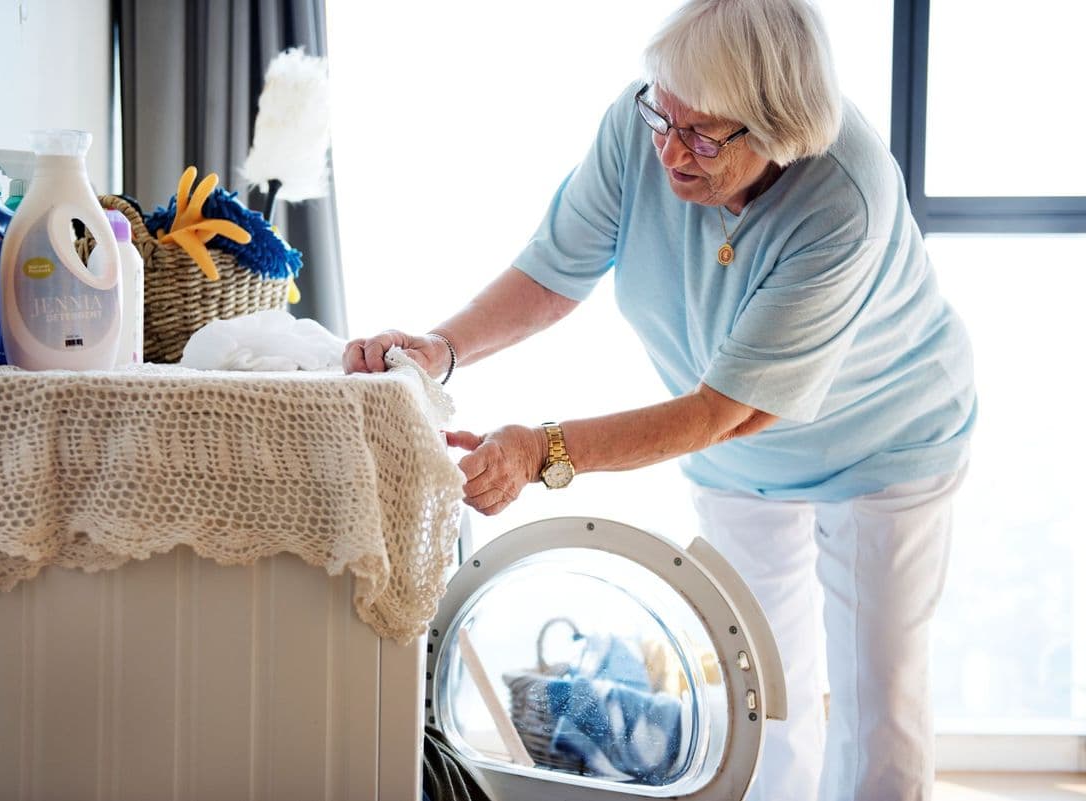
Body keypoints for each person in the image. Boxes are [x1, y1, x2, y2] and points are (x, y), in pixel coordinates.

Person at [343, 0, 976, 798]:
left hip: (886, 444)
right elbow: (554, 269)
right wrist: (443, 349)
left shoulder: (843, 200)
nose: (670, 150)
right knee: (764, 693)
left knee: (878, 698)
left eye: (704, 135)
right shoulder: (648, 121)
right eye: (663, 117)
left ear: (778, 128)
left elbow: (724, 408)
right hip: (734, 454)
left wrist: (543, 451)